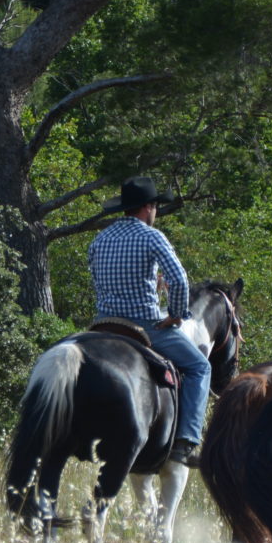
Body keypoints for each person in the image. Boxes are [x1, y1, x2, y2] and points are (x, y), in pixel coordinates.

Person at [87, 176, 210, 467]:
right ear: (148, 207)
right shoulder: (152, 236)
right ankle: (186, 441)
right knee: (199, 367)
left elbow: (98, 281)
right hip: (145, 325)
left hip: (103, 324)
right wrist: (177, 314)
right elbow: (179, 280)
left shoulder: (100, 239)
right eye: (155, 206)